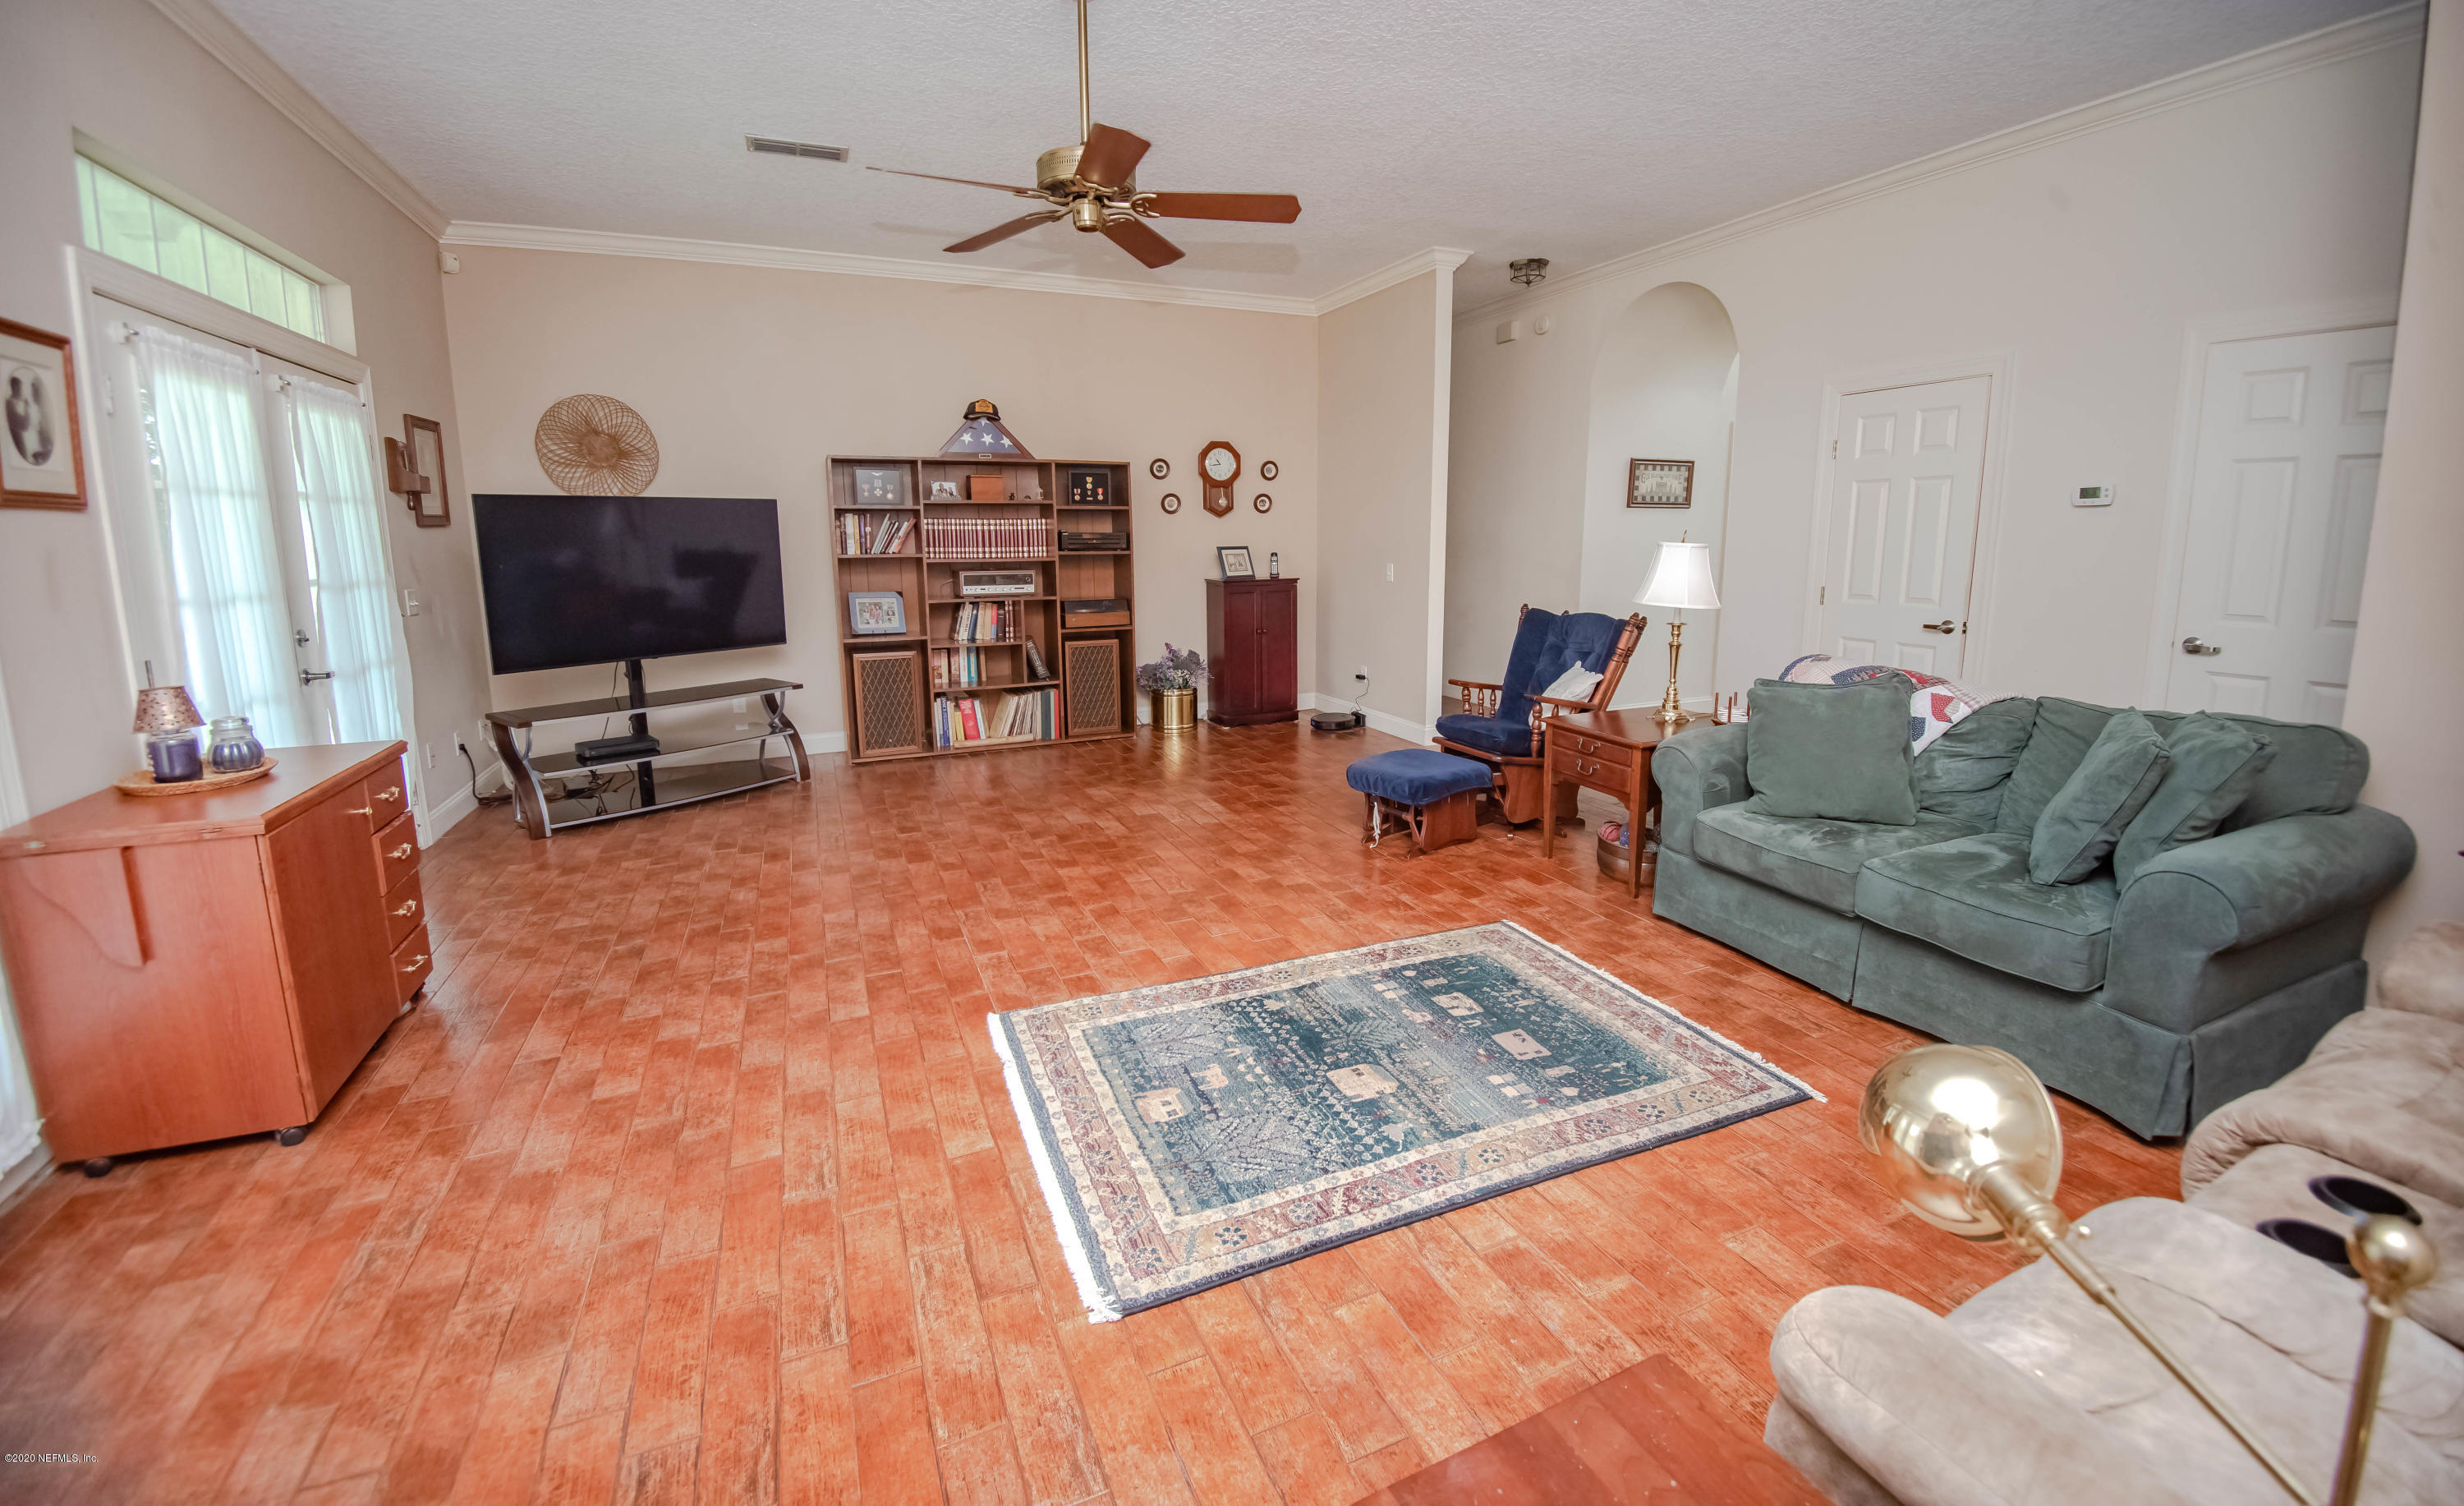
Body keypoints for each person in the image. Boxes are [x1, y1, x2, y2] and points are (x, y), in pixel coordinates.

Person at [5, 369, 53, 467]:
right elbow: (24, 425)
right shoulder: (10, 403)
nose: (22, 391)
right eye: (20, 388)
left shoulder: (22, 403)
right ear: (14, 388)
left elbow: (34, 424)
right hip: (20, 442)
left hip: (32, 443)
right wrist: (27, 409)